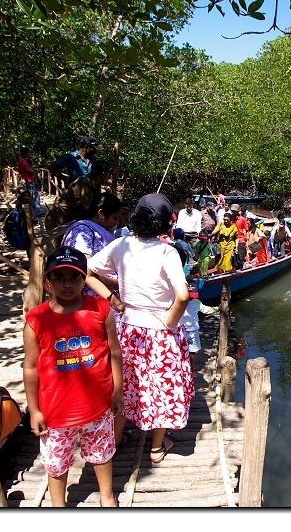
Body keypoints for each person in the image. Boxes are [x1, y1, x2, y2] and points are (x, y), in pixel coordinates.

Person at [85, 193, 193, 461]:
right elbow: (182, 296)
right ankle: (156, 447)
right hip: (159, 332)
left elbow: (86, 271)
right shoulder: (167, 252)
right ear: (165, 223)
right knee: (162, 387)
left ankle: (117, 437)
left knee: (128, 384)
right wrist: (170, 320)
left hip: (129, 329)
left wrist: (114, 300)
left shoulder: (121, 245)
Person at [22, 246, 123, 507]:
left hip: (97, 403)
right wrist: (34, 410)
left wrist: (117, 389)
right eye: (60, 278)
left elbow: (114, 351)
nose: (67, 285)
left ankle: (107, 496)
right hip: (56, 410)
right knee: (56, 462)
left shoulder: (101, 309)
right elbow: (30, 367)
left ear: (83, 279)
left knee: (101, 454)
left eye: (75, 277)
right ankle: (59, 504)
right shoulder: (36, 319)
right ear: (48, 282)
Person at [60, 192, 125, 304]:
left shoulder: (94, 230)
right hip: (94, 299)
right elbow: (85, 271)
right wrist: (118, 285)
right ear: (101, 213)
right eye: (115, 218)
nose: (117, 223)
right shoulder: (81, 232)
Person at [44, 160, 109, 235]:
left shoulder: (96, 184)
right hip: (60, 217)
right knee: (61, 245)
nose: (108, 177)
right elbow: (89, 209)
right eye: (108, 175)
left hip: (70, 217)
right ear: (103, 174)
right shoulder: (85, 183)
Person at [179, 284, 219, 365]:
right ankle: (190, 369)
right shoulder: (188, 302)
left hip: (189, 330)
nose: (191, 298)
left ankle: (191, 368)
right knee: (189, 351)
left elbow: (206, 309)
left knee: (190, 351)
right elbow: (205, 310)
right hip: (184, 330)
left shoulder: (192, 302)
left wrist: (217, 309)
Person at [17, 147, 45, 218]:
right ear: (26, 153)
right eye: (28, 153)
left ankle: (36, 211)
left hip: (30, 180)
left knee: (34, 196)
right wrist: (35, 173)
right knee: (35, 196)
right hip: (29, 181)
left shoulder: (23, 161)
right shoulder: (22, 161)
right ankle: (37, 212)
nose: (29, 154)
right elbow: (30, 170)